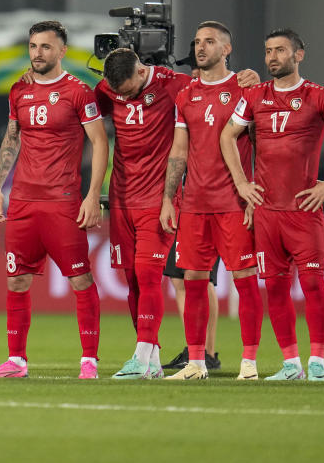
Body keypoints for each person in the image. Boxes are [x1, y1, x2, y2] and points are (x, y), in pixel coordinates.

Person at [96, 48, 257, 379]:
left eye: (126, 91)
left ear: (142, 73)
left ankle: (144, 356)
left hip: (159, 198)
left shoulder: (178, 84)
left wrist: (248, 78)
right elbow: (76, 109)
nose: (122, 99)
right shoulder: (106, 90)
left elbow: (217, 86)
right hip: (121, 198)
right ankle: (151, 356)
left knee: (151, 275)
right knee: (132, 280)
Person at [220, 29, 324, 381]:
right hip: (267, 212)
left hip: (304, 211)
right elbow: (227, 135)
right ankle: (291, 365)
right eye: (268, 50)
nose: (272, 57)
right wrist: (242, 183)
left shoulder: (320, 97)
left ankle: (317, 363)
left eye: (280, 50)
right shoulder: (254, 96)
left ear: (298, 55)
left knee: (313, 284)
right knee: (276, 288)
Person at [0, 21, 108, 379]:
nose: (38, 53)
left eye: (46, 47)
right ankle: (16, 361)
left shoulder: (78, 92)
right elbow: (11, 139)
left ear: (62, 51)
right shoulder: (19, 90)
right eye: (34, 46)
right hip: (22, 200)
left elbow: (100, 142)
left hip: (63, 201)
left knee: (80, 280)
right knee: (16, 281)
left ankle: (89, 361)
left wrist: (92, 195)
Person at [159, 21, 264, 380]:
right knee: (193, 280)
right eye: (197, 42)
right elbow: (178, 150)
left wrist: (255, 194)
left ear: (227, 49)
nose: (201, 47)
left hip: (234, 202)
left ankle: (249, 362)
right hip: (194, 204)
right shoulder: (185, 95)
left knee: (246, 279)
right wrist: (169, 199)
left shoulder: (246, 88)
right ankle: (197, 363)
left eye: (210, 41)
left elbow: (263, 147)